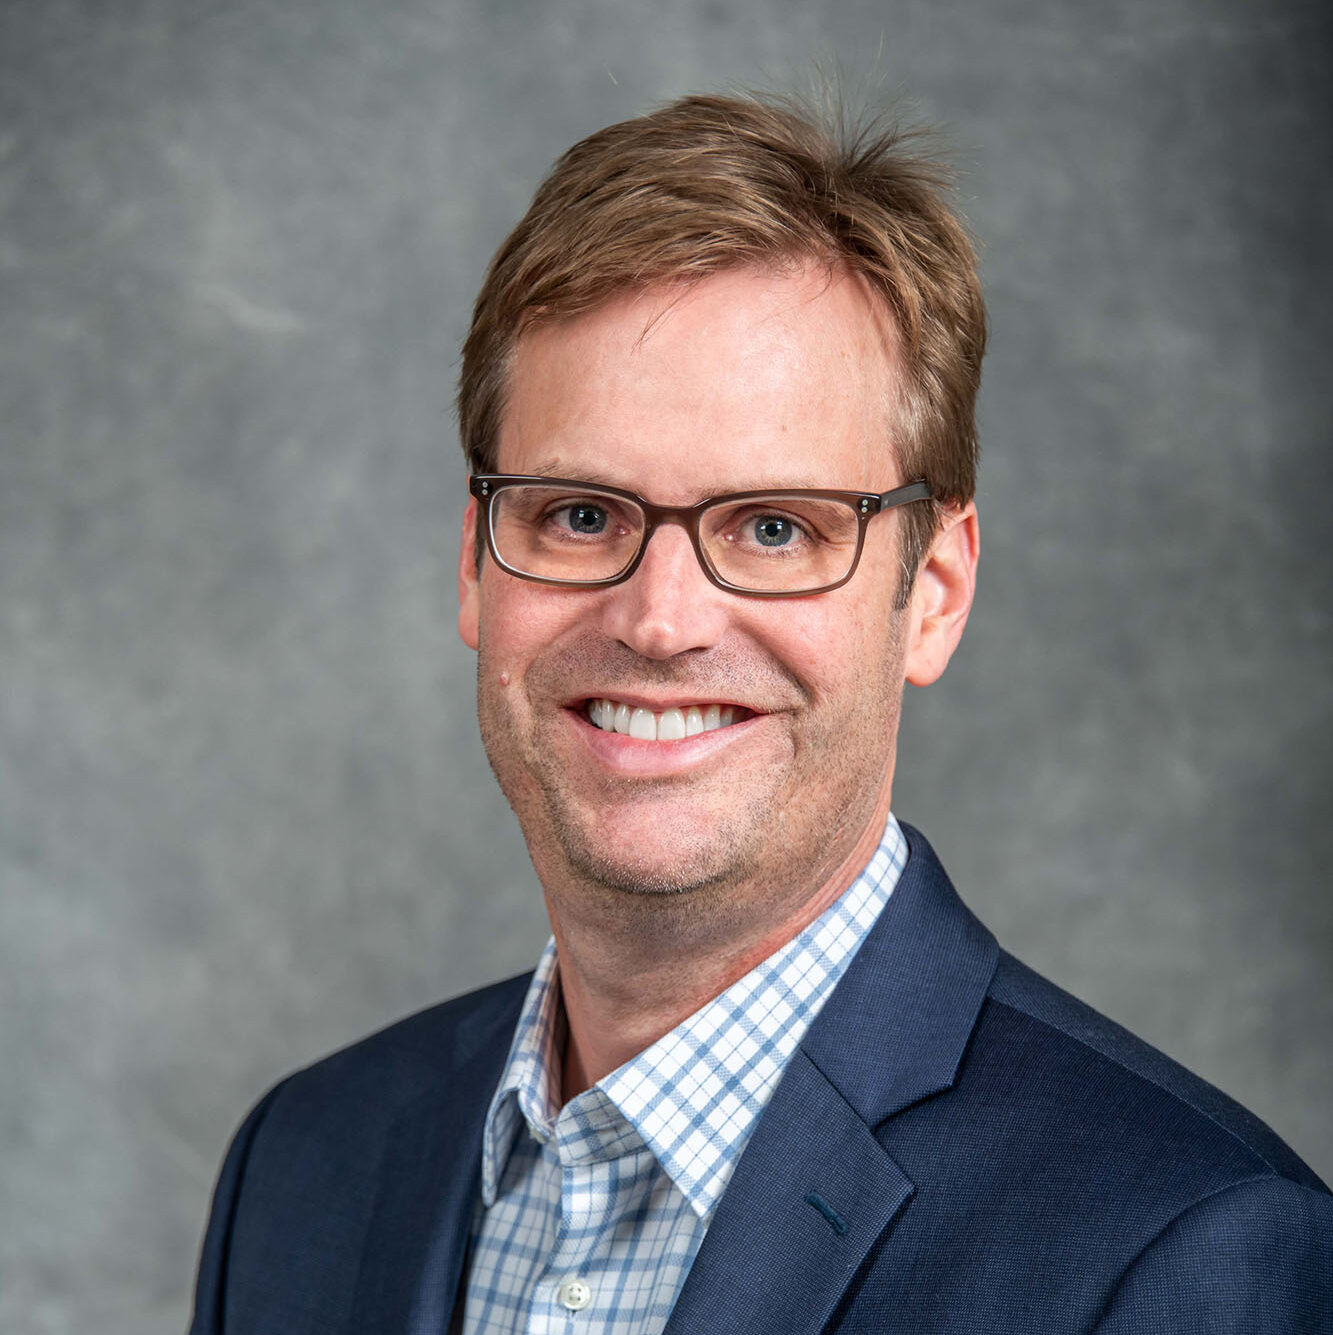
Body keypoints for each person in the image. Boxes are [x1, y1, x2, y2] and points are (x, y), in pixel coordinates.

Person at [189, 92, 1333, 1334]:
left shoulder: (1190, 1252)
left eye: (775, 528)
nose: (659, 620)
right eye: (579, 515)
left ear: (932, 595)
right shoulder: (303, 1167)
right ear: (476, 561)